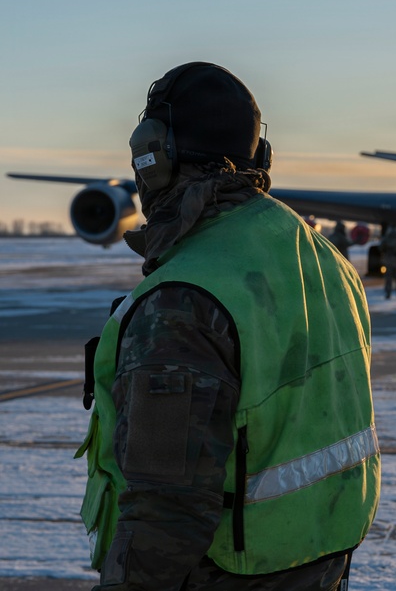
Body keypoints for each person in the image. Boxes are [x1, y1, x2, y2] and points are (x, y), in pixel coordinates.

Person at [76, 62, 380, 590]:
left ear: (154, 157)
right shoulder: (324, 260)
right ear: (258, 156)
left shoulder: (184, 299)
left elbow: (164, 518)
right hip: (321, 566)